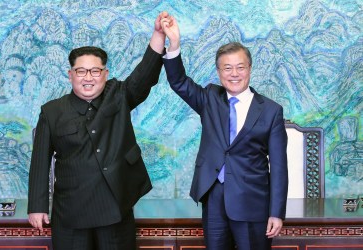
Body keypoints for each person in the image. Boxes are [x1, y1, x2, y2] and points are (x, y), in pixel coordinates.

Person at [28, 12, 172, 250]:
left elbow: (144, 75)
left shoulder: (119, 95)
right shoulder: (52, 111)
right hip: (70, 213)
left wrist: (158, 34)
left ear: (105, 74)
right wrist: (37, 205)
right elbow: (39, 162)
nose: (88, 78)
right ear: (70, 75)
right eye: (81, 71)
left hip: (115, 209)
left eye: (95, 71)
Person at [160, 17, 288, 250]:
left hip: (252, 203)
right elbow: (178, 81)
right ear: (219, 72)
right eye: (227, 68)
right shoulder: (210, 98)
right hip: (214, 199)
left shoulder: (271, 111)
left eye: (240, 67)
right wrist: (175, 43)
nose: (234, 73)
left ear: (249, 68)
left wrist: (277, 213)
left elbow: (279, 167)